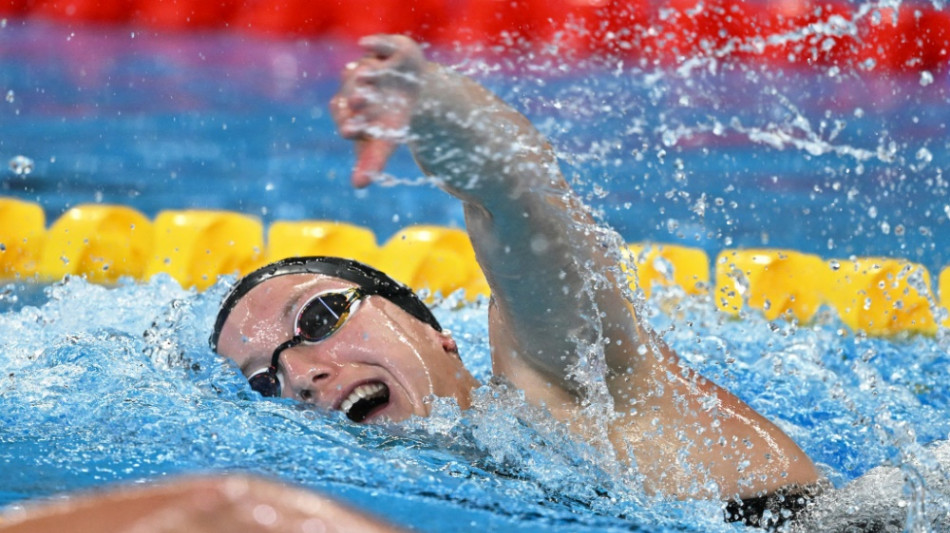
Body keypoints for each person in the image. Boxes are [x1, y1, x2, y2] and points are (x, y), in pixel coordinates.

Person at [210, 34, 823, 528]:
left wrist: (430, 105)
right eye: (264, 381)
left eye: (317, 319)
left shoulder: (561, 381)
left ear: (432, 332)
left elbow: (517, 194)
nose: (299, 376)